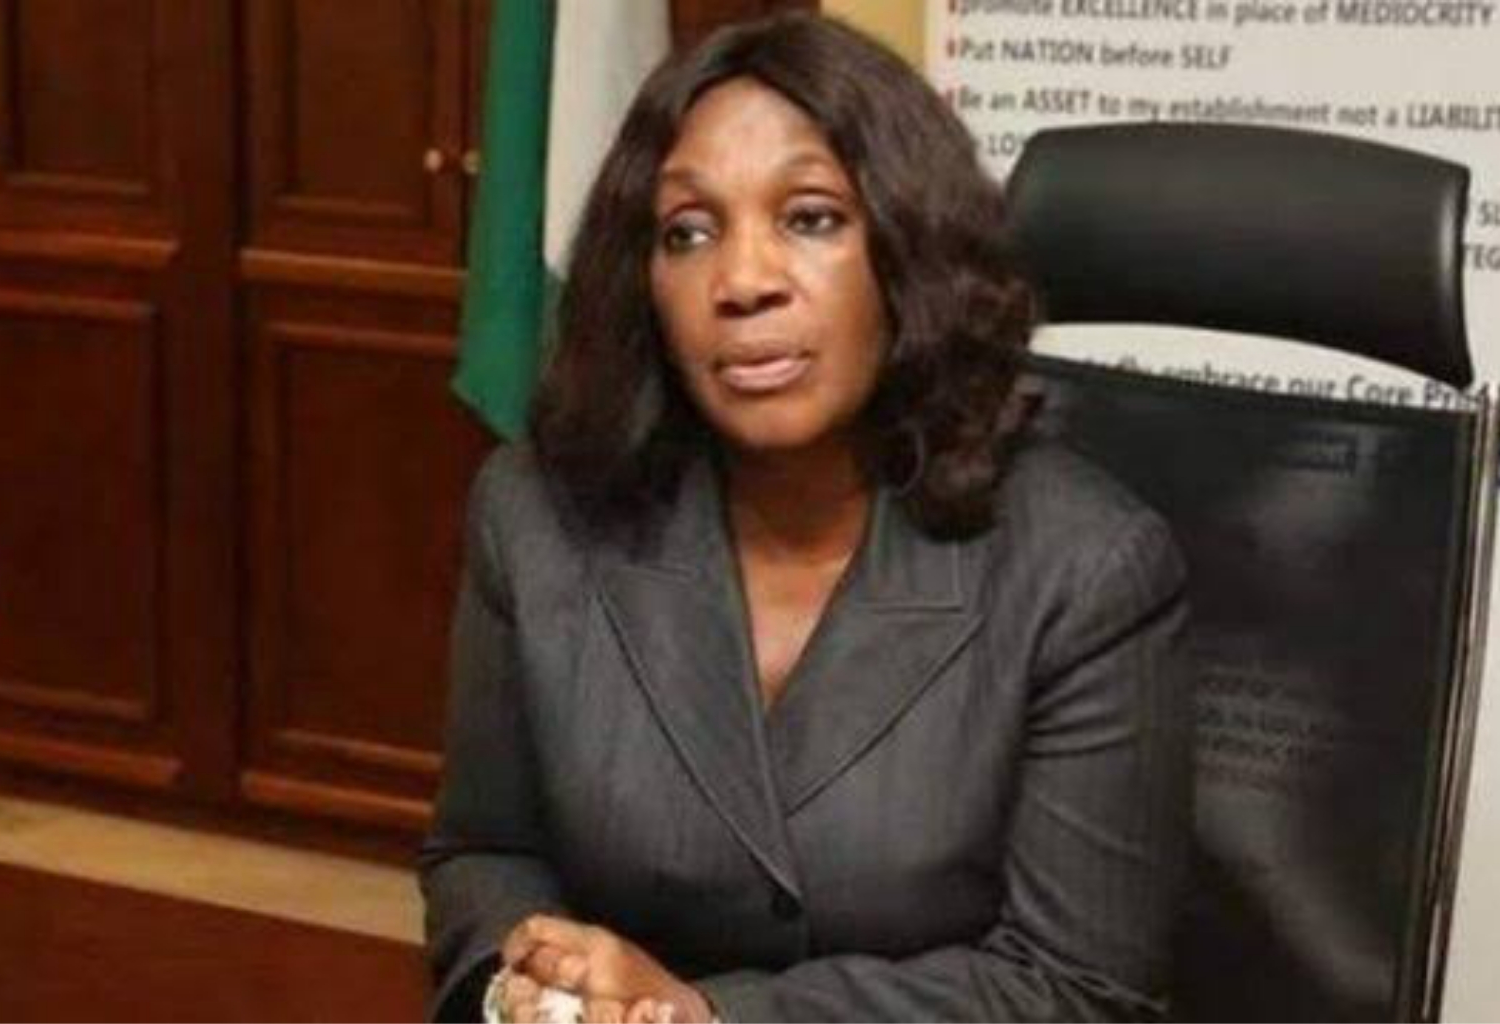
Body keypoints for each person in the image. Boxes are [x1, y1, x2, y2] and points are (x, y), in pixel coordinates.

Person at [420, 13, 1190, 1023]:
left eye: (811, 217)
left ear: (906, 249)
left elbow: (1078, 990)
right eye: (687, 232)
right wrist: (537, 990)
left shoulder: (1084, 568)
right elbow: (485, 851)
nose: (742, 282)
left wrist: (707, 1017)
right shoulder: (535, 513)